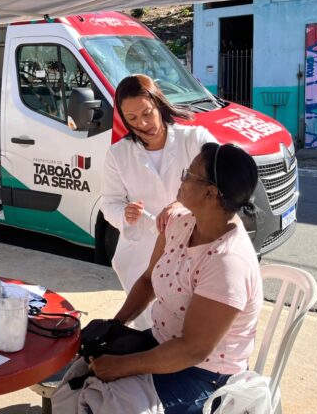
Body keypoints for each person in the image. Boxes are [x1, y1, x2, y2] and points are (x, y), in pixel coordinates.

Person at [53, 143, 263, 414]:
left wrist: (121, 366)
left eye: (189, 175)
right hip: (160, 342)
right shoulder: (180, 222)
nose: (182, 178)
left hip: (202, 374)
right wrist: (114, 327)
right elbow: (148, 281)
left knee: (104, 403)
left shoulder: (227, 262)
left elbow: (193, 350)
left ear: (211, 193)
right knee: (80, 375)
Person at [101, 74, 215, 329]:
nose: (142, 123)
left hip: (192, 248)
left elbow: (220, 180)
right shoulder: (118, 154)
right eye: (132, 118)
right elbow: (109, 202)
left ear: (159, 104)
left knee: (187, 327)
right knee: (149, 327)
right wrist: (124, 213)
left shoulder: (194, 139)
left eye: (147, 113)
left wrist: (184, 204)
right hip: (142, 253)